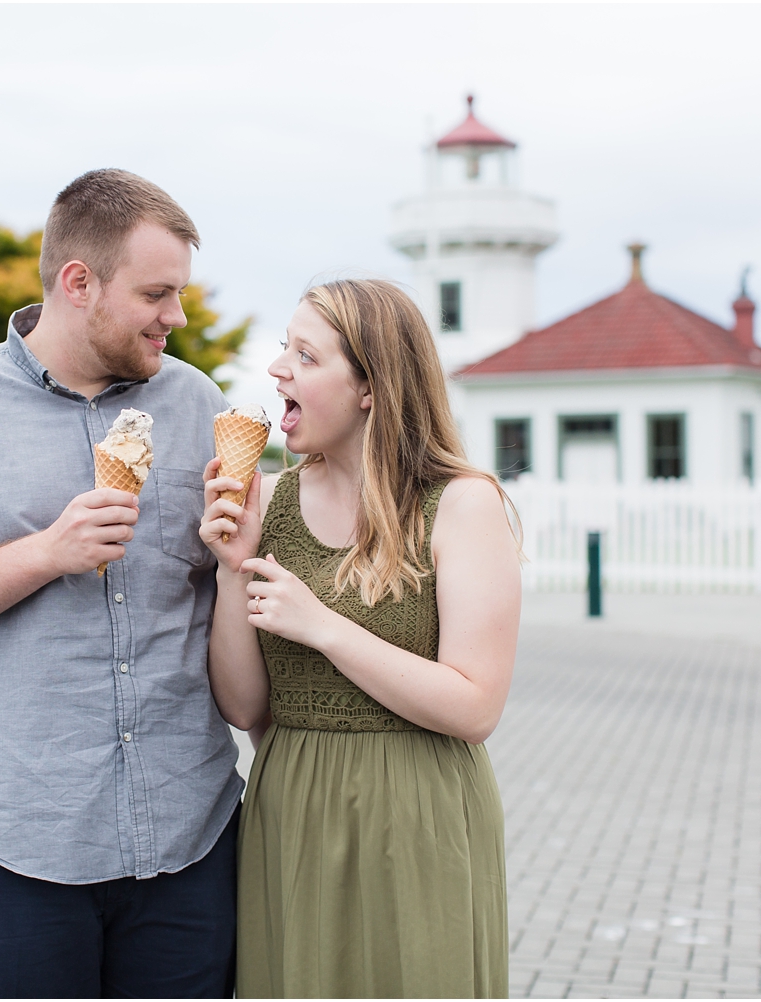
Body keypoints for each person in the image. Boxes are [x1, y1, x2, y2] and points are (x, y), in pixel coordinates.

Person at [0, 169, 243, 999]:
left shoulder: (198, 403)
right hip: (13, 843)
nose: (175, 315)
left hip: (188, 836)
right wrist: (43, 554)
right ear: (78, 283)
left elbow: (225, 591)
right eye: (157, 293)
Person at [200, 278, 522, 998]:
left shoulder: (462, 504)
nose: (278, 368)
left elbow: (475, 706)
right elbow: (247, 708)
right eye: (284, 349)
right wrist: (231, 571)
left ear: (370, 385)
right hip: (291, 811)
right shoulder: (272, 500)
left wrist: (322, 626)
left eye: (306, 356)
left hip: (419, 816)